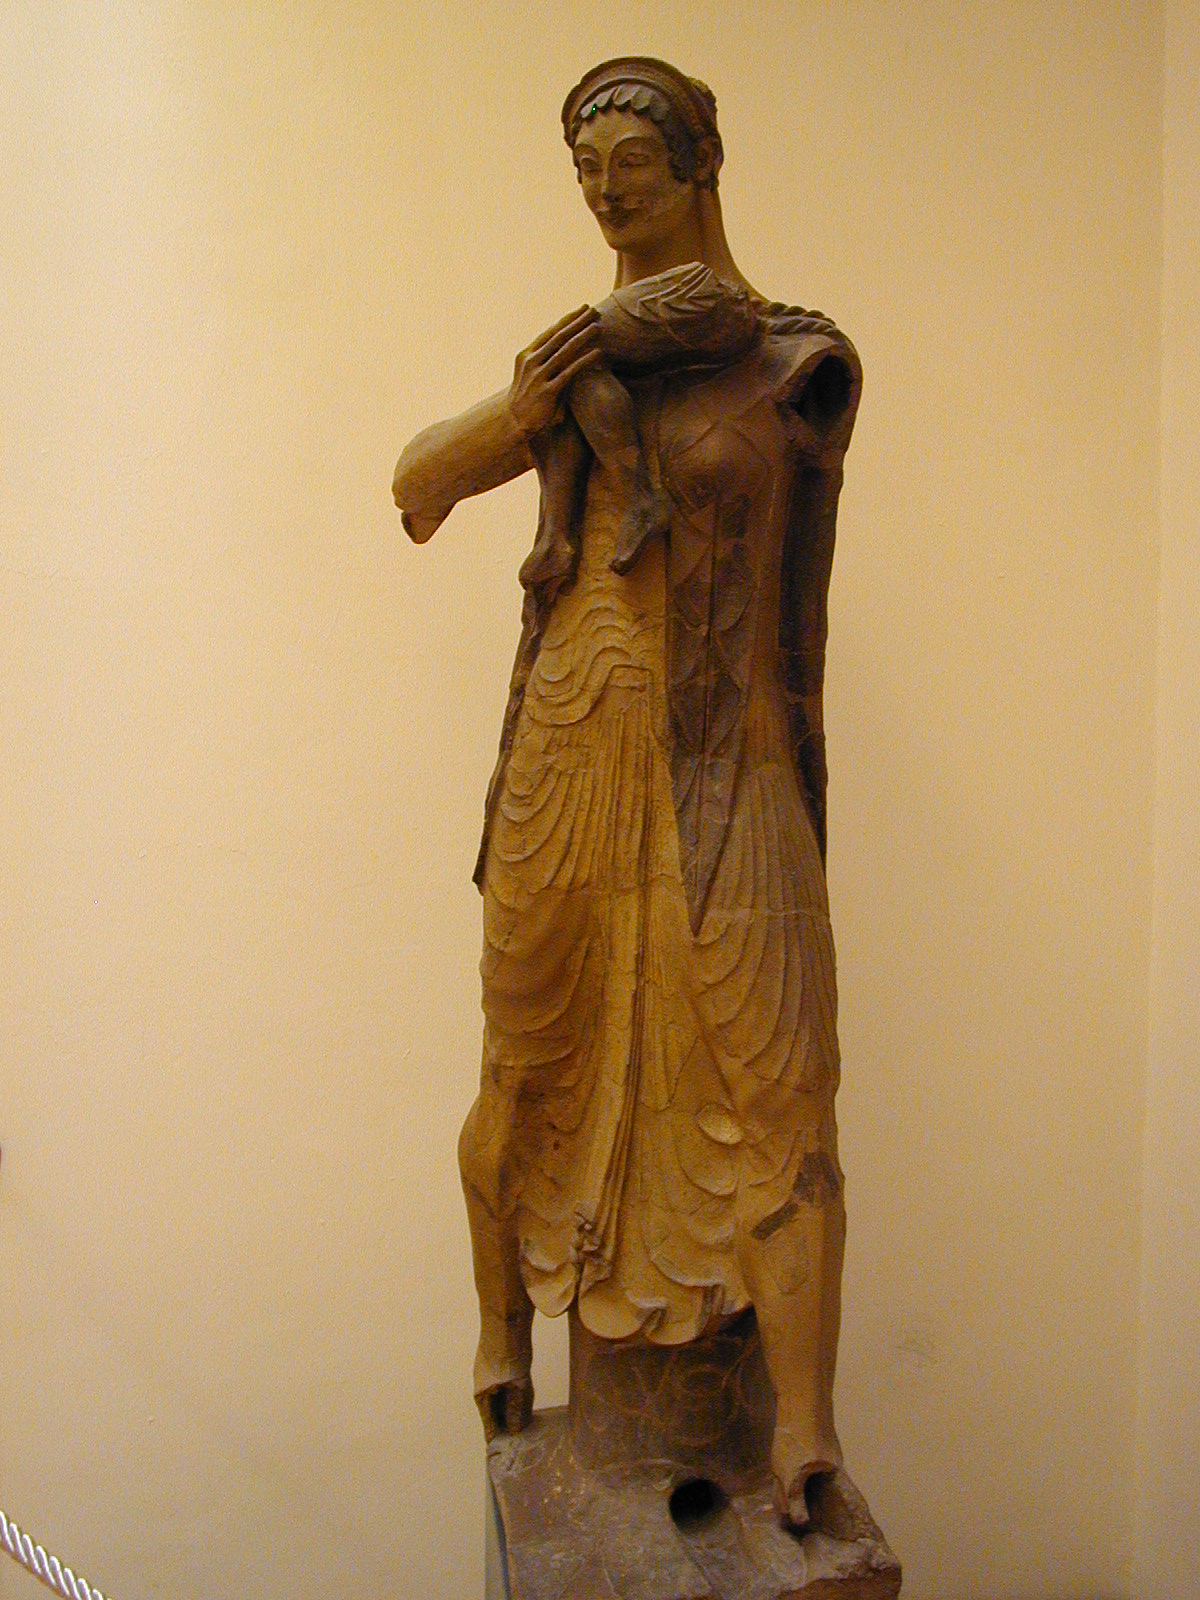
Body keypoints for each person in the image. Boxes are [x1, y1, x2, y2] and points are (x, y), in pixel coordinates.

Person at [393, 56, 861, 1528]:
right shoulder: (564, 372)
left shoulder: (795, 360)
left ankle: (804, 1430)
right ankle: (499, 1338)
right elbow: (415, 485)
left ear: (700, 165)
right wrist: (524, 405)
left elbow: (799, 608)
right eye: (585, 169)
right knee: (526, 1054)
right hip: (571, 733)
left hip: (728, 755)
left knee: (782, 1078)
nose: (604, 190)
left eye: (632, 165)